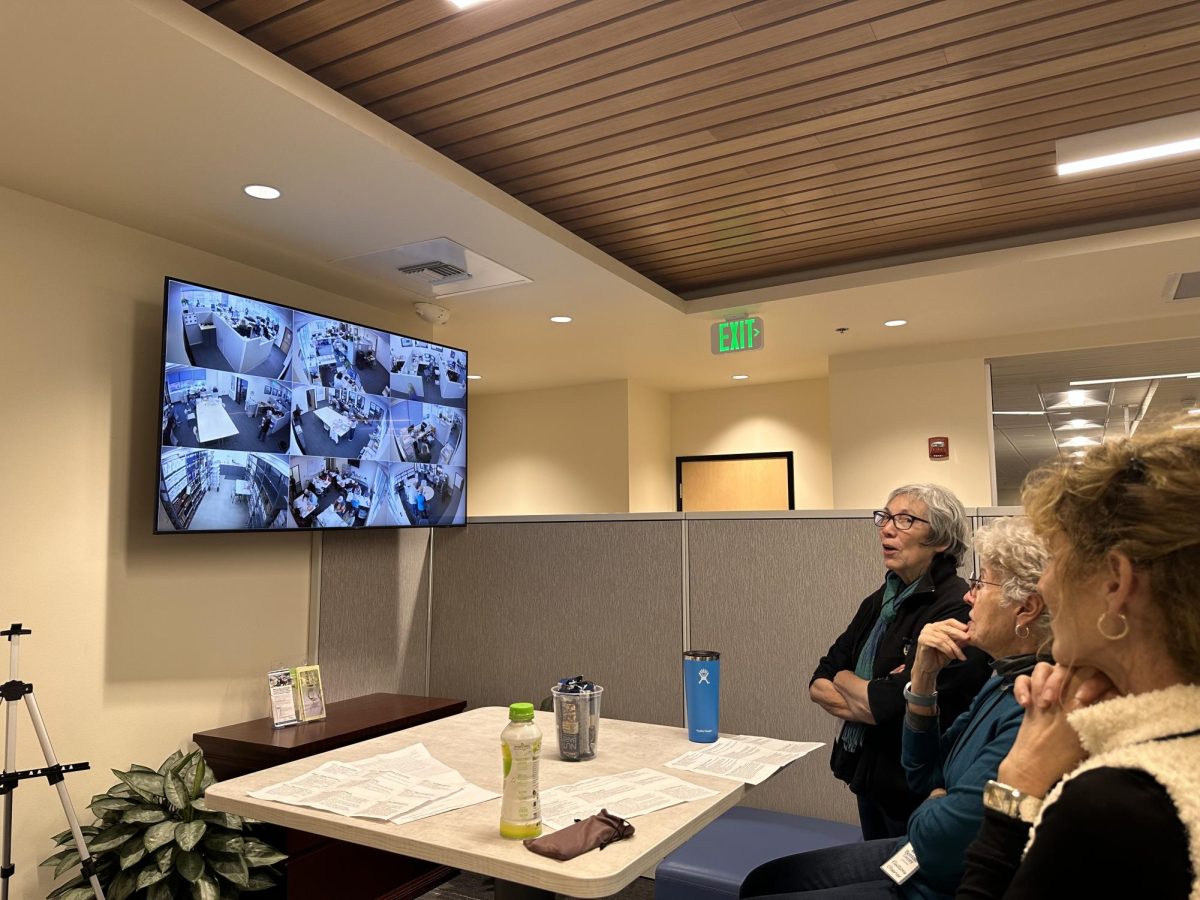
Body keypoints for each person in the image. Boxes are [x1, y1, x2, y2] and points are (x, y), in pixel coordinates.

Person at [743, 518, 1050, 899]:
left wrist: (935, 803)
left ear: (1026, 609)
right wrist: (921, 679)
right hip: (918, 852)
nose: (971, 596)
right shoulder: (999, 679)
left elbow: (936, 839)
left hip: (937, 881)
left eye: (982, 582)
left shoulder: (1033, 700)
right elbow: (923, 774)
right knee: (764, 882)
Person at [957, 426, 1200, 899]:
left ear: (1115, 582)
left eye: (1054, 559)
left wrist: (1018, 785)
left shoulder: (1113, 803)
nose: (1044, 587)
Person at [810, 484, 991, 840]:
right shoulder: (881, 600)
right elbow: (818, 681)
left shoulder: (957, 607)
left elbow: (890, 707)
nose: (888, 529)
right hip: (869, 776)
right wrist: (865, 689)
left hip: (918, 791)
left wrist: (848, 679)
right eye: (886, 517)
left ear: (940, 539)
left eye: (905, 519)